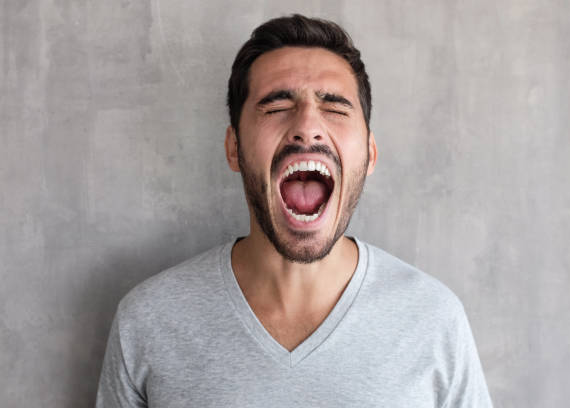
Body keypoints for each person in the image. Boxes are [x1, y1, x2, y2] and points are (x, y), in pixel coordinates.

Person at [96, 14, 493, 407]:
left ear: (369, 153)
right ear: (234, 148)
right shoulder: (148, 320)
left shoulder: (433, 319)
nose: (307, 126)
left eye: (335, 108)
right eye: (276, 106)